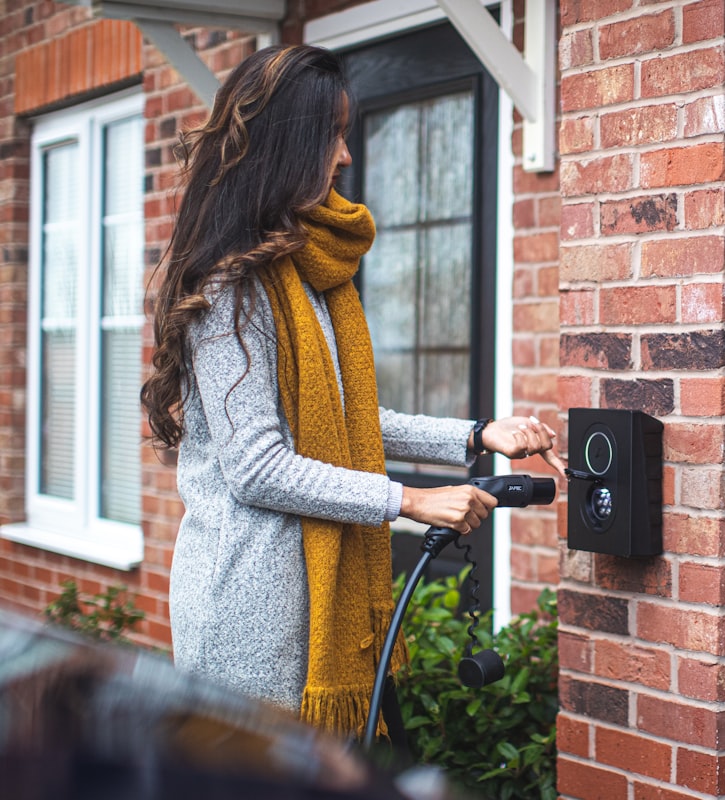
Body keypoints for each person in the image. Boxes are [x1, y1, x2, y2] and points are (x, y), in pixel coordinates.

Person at [140, 44, 565, 740]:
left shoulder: (311, 280)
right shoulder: (231, 289)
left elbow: (350, 419)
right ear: (286, 144)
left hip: (317, 600)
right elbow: (257, 467)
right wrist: (411, 500)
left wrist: (476, 434)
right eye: (331, 135)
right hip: (251, 614)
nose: (345, 156)